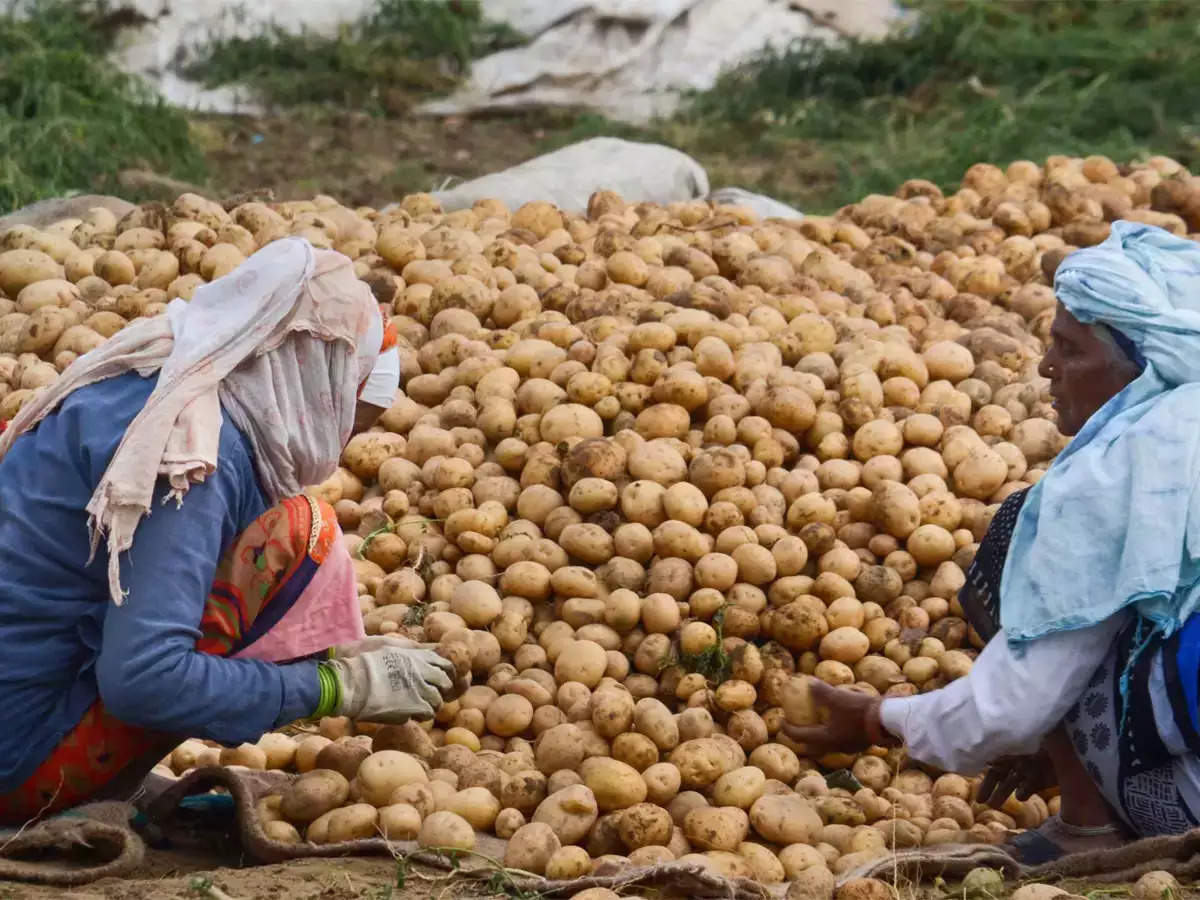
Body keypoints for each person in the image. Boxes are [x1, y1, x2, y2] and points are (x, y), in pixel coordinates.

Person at [0, 237, 455, 825]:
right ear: (311, 378)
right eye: (347, 419)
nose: (339, 449)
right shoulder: (192, 454)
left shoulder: (149, 368)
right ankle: (82, 784)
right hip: (16, 764)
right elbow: (142, 680)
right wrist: (333, 687)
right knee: (298, 532)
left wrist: (344, 653)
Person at [786, 221, 1200, 863]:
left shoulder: (1115, 474)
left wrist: (873, 721)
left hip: (1188, 809)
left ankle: (1088, 824)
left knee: (1017, 535)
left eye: (1070, 349)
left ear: (1136, 366)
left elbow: (1010, 707)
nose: (1046, 366)